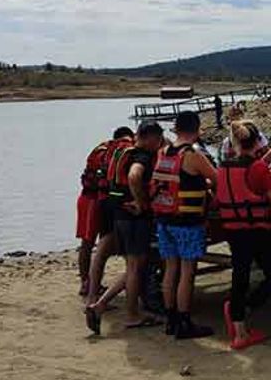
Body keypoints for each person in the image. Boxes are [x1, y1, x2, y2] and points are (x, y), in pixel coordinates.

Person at [85, 121, 164, 335]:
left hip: (118, 214)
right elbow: (134, 176)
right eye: (157, 141)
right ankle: (131, 315)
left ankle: (99, 305)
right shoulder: (141, 155)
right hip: (134, 218)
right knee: (136, 267)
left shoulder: (122, 151)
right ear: (150, 138)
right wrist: (140, 202)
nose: (158, 145)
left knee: (133, 266)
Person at [217, 120, 271, 350]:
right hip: (257, 231)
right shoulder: (258, 167)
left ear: (235, 142)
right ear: (258, 141)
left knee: (240, 275)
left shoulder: (223, 167)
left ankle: (239, 328)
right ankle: (245, 310)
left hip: (233, 230)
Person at [150, 112, 216, 339]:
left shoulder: (162, 152)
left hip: (164, 219)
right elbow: (216, 178)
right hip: (187, 223)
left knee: (170, 269)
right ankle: (184, 321)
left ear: (176, 129)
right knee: (187, 272)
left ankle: (171, 320)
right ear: (197, 130)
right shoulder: (192, 154)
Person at [83, 127, 135, 304]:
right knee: (134, 261)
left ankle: (90, 291)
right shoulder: (128, 150)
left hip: (99, 200)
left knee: (97, 248)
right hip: (119, 206)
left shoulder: (105, 149)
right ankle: (126, 306)